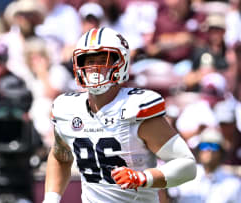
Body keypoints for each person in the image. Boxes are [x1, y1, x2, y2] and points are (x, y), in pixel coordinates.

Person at [42, 27, 196, 203]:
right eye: (89, 60)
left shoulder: (136, 109)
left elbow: (187, 165)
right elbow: (60, 156)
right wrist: (51, 199)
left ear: (121, 63)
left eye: (104, 60)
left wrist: (143, 178)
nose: (95, 67)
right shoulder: (67, 108)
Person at [166, 127, 241, 203]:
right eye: (204, 146)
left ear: (221, 152)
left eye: (214, 146)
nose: (209, 150)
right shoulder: (184, 178)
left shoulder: (233, 184)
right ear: (198, 151)